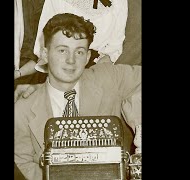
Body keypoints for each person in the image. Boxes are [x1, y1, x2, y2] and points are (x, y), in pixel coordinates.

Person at [14, 13, 141, 179]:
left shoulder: (108, 78)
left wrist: (136, 114)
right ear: (45, 54)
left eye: (79, 52)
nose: (71, 60)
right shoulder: (23, 108)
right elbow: (24, 163)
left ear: (88, 56)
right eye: (62, 50)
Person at [14, 0, 128, 80]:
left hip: (97, 69)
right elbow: (45, 43)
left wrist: (94, 76)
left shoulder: (119, 2)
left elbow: (115, 46)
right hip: (59, 65)